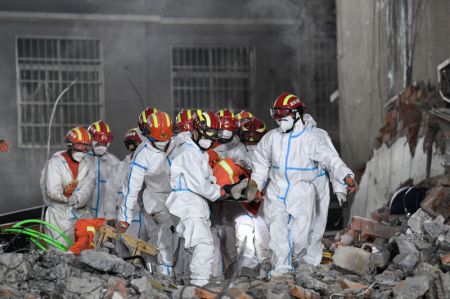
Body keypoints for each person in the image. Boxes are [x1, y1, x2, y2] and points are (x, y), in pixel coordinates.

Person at [247, 92, 358, 277]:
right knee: (277, 232)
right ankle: (281, 272)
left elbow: (331, 160)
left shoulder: (313, 138)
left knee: (304, 236)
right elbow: (260, 165)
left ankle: (306, 268)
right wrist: (253, 187)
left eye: (283, 116)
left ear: (296, 114)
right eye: (277, 116)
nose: (279, 121)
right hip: (277, 191)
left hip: (305, 191)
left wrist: (344, 178)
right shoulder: (270, 138)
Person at [165, 110, 246, 287]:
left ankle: (186, 284)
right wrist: (223, 191)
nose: (209, 140)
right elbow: (201, 186)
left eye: (212, 136)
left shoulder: (197, 150)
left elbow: (208, 177)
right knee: (203, 244)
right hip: (188, 203)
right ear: (195, 130)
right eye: (206, 135)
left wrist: (224, 186)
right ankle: (199, 285)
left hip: (192, 203)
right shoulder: (189, 153)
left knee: (190, 247)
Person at [117, 111, 176, 276]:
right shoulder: (142, 154)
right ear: (148, 135)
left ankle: (183, 276)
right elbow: (131, 188)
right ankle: (166, 273)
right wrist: (124, 218)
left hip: (180, 197)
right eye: (158, 140)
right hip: (157, 199)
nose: (162, 143)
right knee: (166, 231)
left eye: (166, 140)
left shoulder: (178, 142)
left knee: (186, 236)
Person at [226, 117, 271, 275]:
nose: (251, 139)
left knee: (265, 240)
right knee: (244, 241)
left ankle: (267, 275)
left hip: (264, 202)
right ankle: (247, 275)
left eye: (255, 136)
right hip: (242, 203)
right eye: (248, 135)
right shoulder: (234, 150)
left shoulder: (269, 149)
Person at [40, 127, 95, 245]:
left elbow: (88, 188)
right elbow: (52, 191)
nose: (84, 150)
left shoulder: (88, 164)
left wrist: (77, 198)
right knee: (59, 255)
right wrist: (66, 195)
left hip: (79, 215)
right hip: (58, 217)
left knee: (81, 255)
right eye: (80, 145)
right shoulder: (55, 163)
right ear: (70, 145)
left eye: (87, 146)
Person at [104, 128, 147, 239]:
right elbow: (110, 193)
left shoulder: (153, 165)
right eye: (129, 145)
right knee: (127, 252)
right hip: (128, 221)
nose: (131, 148)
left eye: (134, 145)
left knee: (153, 250)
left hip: (151, 220)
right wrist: (110, 216)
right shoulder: (119, 168)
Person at [87, 120, 120, 218]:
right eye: (98, 144)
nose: (101, 147)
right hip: (84, 217)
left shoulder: (115, 163)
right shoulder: (82, 161)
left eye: (104, 144)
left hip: (106, 219)